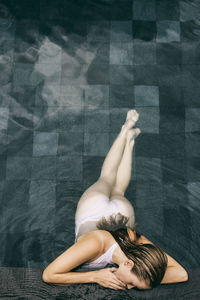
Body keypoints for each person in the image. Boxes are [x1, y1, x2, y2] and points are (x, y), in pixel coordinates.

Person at [42, 110, 188, 290]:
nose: (128, 288)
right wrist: (95, 276)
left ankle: (130, 138)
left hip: (121, 218)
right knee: (108, 178)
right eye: (132, 283)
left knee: (112, 182)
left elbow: (182, 274)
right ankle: (125, 130)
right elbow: (49, 274)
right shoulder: (95, 244)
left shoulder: (139, 246)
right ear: (128, 264)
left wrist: (148, 279)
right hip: (93, 210)